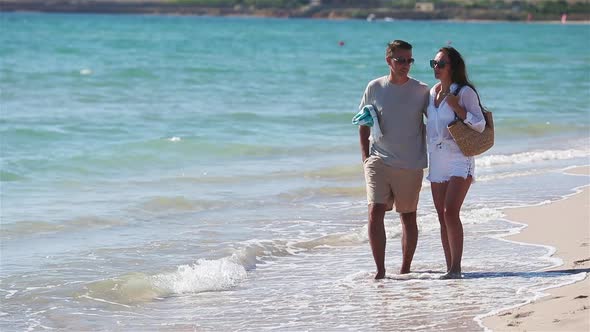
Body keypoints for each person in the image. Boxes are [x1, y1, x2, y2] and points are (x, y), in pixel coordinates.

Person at [358, 40, 429, 279]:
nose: (406, 65)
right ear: (389, 61)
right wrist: (365, 158)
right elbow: (363, 121)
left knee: (407, 216)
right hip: (378, 159)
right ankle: (380, 271)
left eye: (410, 60)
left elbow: (437, 122)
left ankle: (405, 270)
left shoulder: (422, 90)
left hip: (410, 163)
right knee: (374, 212)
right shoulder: (375, 87)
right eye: (401, 60)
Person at [426, 47, 486, 279]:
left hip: (460, 156)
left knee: (450, 211)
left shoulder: (464, 92)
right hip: (437, 158)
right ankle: (449, 267)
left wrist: (457, 106)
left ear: (453, 67)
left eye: (441, 64)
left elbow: (480, 124)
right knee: (442, 216)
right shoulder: (431, 93)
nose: (436, 68)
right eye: (434, 63)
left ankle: (456, 268)